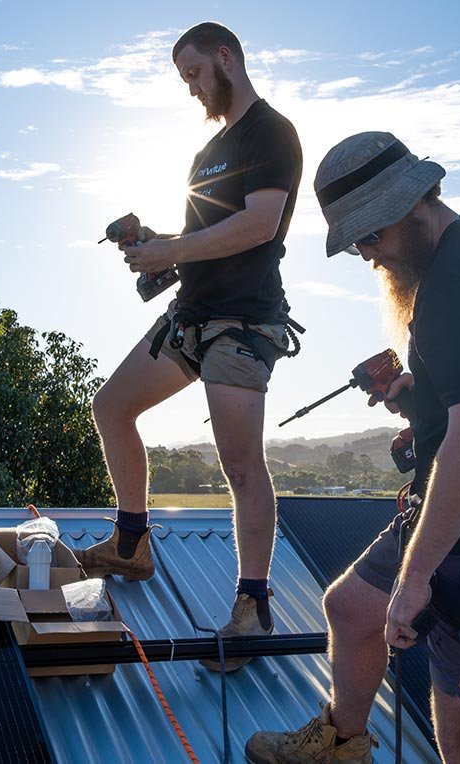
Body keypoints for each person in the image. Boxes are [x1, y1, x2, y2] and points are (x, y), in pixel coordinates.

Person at [245, 132, 460, 763]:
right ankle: (342, 745)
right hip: (456, 512)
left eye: (371, 236)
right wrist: (428, 392)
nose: (368, 256)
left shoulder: (453, 285)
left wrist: (417, 576)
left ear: (413, 204)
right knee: (350, 608)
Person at [75, 22, 303, 670]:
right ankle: (131, 544)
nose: (192, 88)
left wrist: (173, 249)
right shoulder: (208, 153)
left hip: (243, 321)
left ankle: (252, 609)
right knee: (111, 407)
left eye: (195, 73)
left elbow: (259, 224)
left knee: (239, 464)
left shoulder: (271, 132)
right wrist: (159, 252)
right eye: (185, 79)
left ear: (226, 58)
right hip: (191, 312)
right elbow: (208, 231)